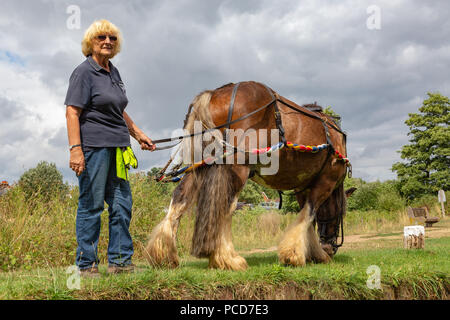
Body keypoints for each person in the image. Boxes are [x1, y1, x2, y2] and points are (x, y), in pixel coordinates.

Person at [65, 19, 156, 277]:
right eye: (101, 37)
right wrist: (75, 149)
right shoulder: (84, 72)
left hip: (118, 147)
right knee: (91, 206)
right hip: (93, 147)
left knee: (121, 204)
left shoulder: (113, 72)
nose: (107, 41)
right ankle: (86, 265)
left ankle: (120, 263)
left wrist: (138, 134)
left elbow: (119, 110)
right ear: (90, 43)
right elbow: (72, 112)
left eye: (112, 38)